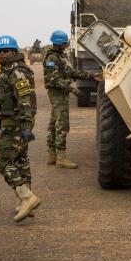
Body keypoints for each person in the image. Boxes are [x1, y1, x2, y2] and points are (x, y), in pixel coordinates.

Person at [0, 35, 41, 222]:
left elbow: (25, 100)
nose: (2, 54)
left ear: (14, 51)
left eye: (6, 51)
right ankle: (24, 202)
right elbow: (5, 98)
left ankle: (27, 197)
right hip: (9, 120)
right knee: (20, 161)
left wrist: (26, 126)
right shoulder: (6, 71)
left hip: (17, 123)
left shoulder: (17, 72)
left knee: (2, 162)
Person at [43, 30, 101, 168]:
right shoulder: (52, 59)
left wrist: (91, 75)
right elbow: (53, 80)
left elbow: (71, 73)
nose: (67, 44)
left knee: (53, 123)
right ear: (61, 43)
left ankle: (52, 156)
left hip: (59, 93)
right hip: (57, 94)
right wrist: (72, 89)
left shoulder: (59, 57)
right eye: (65, 43)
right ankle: (61, 159)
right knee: (61, 125)